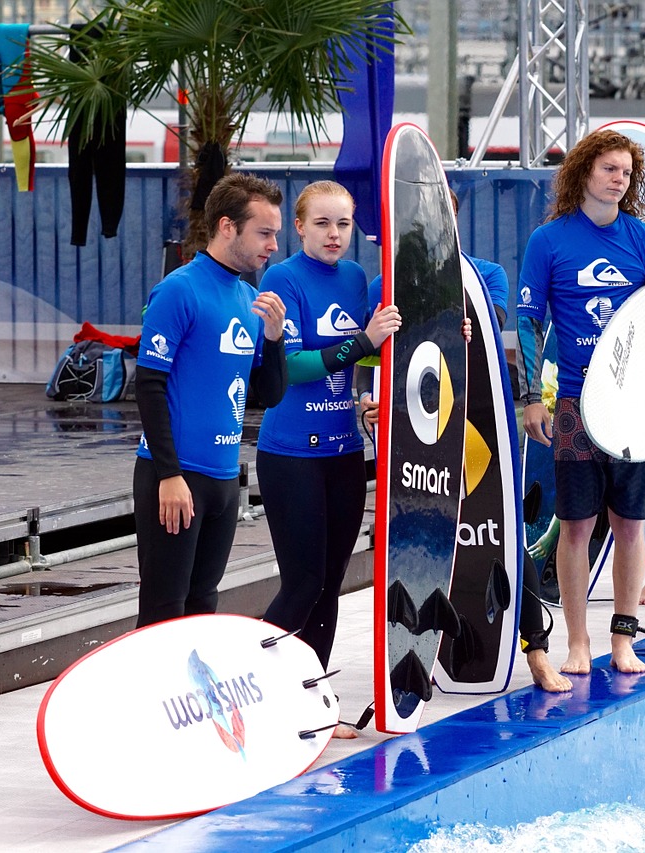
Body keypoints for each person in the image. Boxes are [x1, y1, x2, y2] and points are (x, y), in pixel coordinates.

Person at [516, 128, 645, 675]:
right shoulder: (549, 241)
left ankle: (622, 640)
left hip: (636, 407)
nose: (618, 178)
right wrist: (533, 398)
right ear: (583, 174)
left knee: (629, 524)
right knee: (576, 525)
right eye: (608, 169)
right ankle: (578, 642)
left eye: (625, 171)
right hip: (575, 403)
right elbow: (529, 322)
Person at [367, 188, 569, 692]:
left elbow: (482, 338)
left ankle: (536, 651)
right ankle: (422, 654)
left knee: (500, 540)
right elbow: (380, 357)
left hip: (481, 423)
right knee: (421, 543)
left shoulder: (485, 277)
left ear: (452, 223)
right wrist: (376, 402)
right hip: (421, 429)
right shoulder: (383, 283)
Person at [256, 181, 401, 739]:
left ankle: (312, 701)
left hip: (344, 453)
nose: (334, 234)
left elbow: (382, 346)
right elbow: (289, 368)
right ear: (300, 227)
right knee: (302, 582)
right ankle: (248, 686)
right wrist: (361, 342)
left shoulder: (355, 278)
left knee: (331, 582)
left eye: (342, 224)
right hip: (292, 454)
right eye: (322, 223)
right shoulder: (283, 278)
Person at [133, 173, 288, 629]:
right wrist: (169, 474)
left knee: (203, 605)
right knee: (165, 608)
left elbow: (270, 394)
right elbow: (149, 385)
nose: (273, 245)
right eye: (264, 232)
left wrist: (275, 339)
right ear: (226, 227)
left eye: (275, 233)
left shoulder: (250, 299)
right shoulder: (180, 289)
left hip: (223, 478)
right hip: (176, 476)